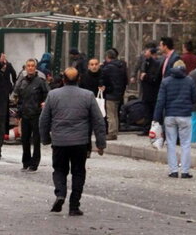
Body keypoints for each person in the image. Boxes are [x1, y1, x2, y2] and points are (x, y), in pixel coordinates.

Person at [40, 67, 106, 216]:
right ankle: (74, 205)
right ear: (79, 79)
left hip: (59, 142)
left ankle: (60, 193)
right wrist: (101, 144)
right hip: (80, 142)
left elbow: (43, 119)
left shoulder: (53, 95)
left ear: (63, 79)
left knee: (59, 170)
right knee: (78, 172)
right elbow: (98, 121)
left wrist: (45, 138)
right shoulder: (88, 96)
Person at [154, 60, 196, 178]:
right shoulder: (189, 81)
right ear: (184, 69)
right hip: (185, 115)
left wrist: (156, 118)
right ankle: (185, 171)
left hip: (170, 115)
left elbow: (160, 101)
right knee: (185, 143)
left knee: (171, 143)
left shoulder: (166, 81)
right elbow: (195, 98)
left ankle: (173, 170)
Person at [13, 58, 49, 171]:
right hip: (25, 114)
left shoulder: (40, 81)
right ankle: (26, 162)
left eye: (32, 66)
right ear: (25, 67)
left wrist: (44, 103)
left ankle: (34, 163)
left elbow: (48, 94)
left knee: (36, 140)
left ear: (35, 67)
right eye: (28, 65)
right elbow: (19, 98)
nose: (30, 68)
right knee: (25, 139)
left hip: (37, 114)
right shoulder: (22, 81)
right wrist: (18, 114)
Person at [101, 49, 127, 140]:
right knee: (115, 113)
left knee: (110, 114)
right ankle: (115, 130)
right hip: (119, 93)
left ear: (107, 57)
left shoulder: (108, 68)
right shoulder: (122, 66)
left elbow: (103, 79)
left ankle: (112, 132)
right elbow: (125, 80)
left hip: (110, 93)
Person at [139, 47, 161, 135]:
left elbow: (155, 78)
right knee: (147, 111)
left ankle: (152, 129)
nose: (145, 53)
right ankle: (146, 128)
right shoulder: (145, 62)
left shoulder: (156, 64)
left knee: (152, 111)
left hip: (152, 92)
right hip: (146, 92)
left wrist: (145, 76)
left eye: (147, 51)